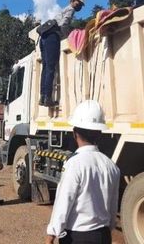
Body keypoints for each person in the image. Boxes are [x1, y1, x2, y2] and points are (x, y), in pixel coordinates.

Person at [45, 100, 120, 244]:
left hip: (77, 237)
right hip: (103, 235)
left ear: (75, 134)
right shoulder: (111, 166)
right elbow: (113, 206)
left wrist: (51, 234)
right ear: (99, 135)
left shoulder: (74, 164)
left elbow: (64, 202)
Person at [40, 0, 86, 107]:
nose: (79, 5)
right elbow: (64, 25)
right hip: (52, 37)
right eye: (78, 3)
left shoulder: (64, 9)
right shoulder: (70, 10)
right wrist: (68, 37)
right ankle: (48, 99)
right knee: (50, 68)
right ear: (72, 0)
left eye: (80, 4)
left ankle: (42, 97)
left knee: (45, 68)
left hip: (44, 37)